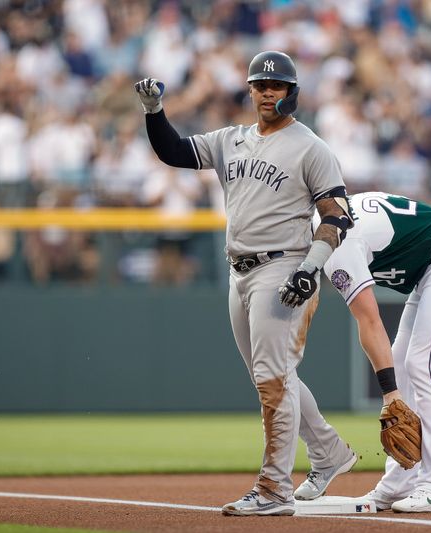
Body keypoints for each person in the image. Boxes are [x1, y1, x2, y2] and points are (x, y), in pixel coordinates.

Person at [135, 51, 356, 517]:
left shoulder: (310, 147)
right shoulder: (229, 139)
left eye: (277, 86)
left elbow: (338, 216)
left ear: (292, 92)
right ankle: (329, 452)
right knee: (273, 377)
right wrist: (155, 113)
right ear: (250, 90)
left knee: (271, 379)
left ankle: (275, 489)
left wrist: (310, 267)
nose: (268, 92)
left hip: (286, 266)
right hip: (240, 270)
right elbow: (173, 151)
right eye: (260, 85)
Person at [319, 191, 431, 512]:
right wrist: (393, 390)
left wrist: (391, 396)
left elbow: (370, 321)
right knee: (402, 364)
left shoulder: (334, 241)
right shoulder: (327, 222)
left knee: (425, 365)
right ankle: (399, 484)